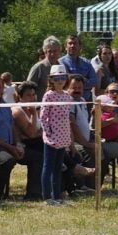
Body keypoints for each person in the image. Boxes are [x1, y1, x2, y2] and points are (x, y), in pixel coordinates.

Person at [39, 66, 71, 205]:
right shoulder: (48, 95)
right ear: (51, 80)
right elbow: (43, 116)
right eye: (57, 78)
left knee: (58, 167)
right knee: (48, 167)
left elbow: (67, 115)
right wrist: (48, 131)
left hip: (63, 135)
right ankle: (47, 197)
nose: (60, 81)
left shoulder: (67, 95)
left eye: (62, 78)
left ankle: (57, 196)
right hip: (52, 136)